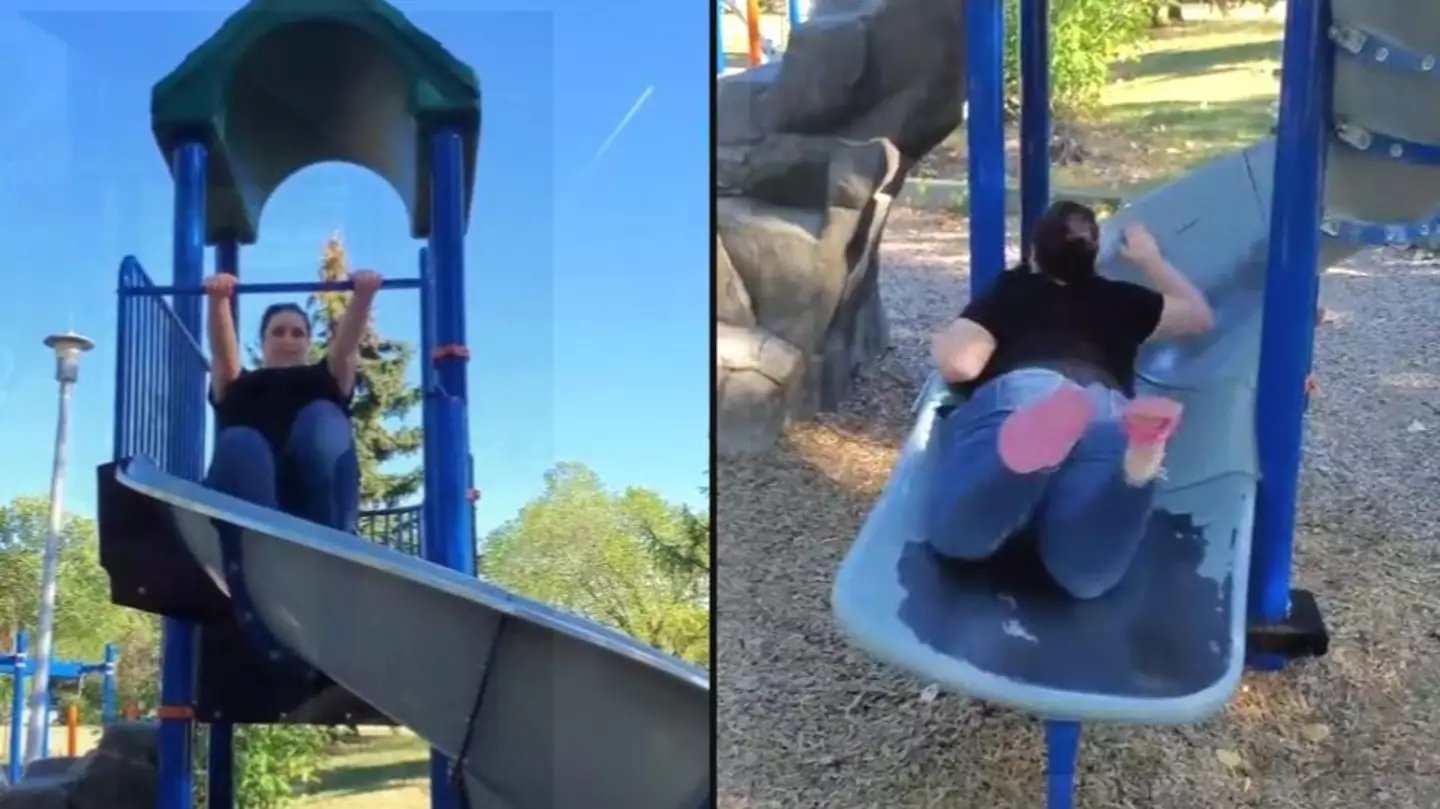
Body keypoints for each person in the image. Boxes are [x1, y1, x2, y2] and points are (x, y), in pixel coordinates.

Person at [925, 200, 1215, 599]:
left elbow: (961, 366)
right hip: (1107, 409)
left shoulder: (1012, 290)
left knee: (960, 540)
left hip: (1027, 391)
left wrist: (942, 342)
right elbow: (1199, 316)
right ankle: (1138, 469)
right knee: (1085, 576)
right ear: (1094, 255)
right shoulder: (1121, 299)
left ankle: (1024, 462)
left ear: (1033, 252)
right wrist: (1151, 260)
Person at [201, 269, 384, 533]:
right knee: (239, 442)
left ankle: (335, 537)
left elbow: (345, 349)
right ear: (263, 342)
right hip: (251, 500)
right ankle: (260, 542)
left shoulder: (325, 378)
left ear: (309, 343)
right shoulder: (239, 385)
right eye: (278, 332)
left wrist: (363, 296)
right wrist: (218, 301)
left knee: (323, 417)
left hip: (316, 506)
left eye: (297, 333)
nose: (288, 339)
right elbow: (221, 351)